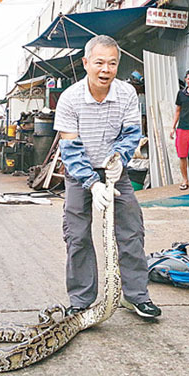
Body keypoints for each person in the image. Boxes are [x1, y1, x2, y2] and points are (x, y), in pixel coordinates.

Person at [54, 35, 161, 319]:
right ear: (86, 63)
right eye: (99, 62)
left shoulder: (126, 94)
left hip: (115, 171)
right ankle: (80, 300)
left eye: (112, 63)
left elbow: (130, 135)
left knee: (131, 230)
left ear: (118, 65)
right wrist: (92, 183)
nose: (105, 69)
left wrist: (118, 160)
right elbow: (70, 149)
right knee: (77, 236)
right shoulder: (70, 99)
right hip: (80, 173)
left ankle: (137, 297)